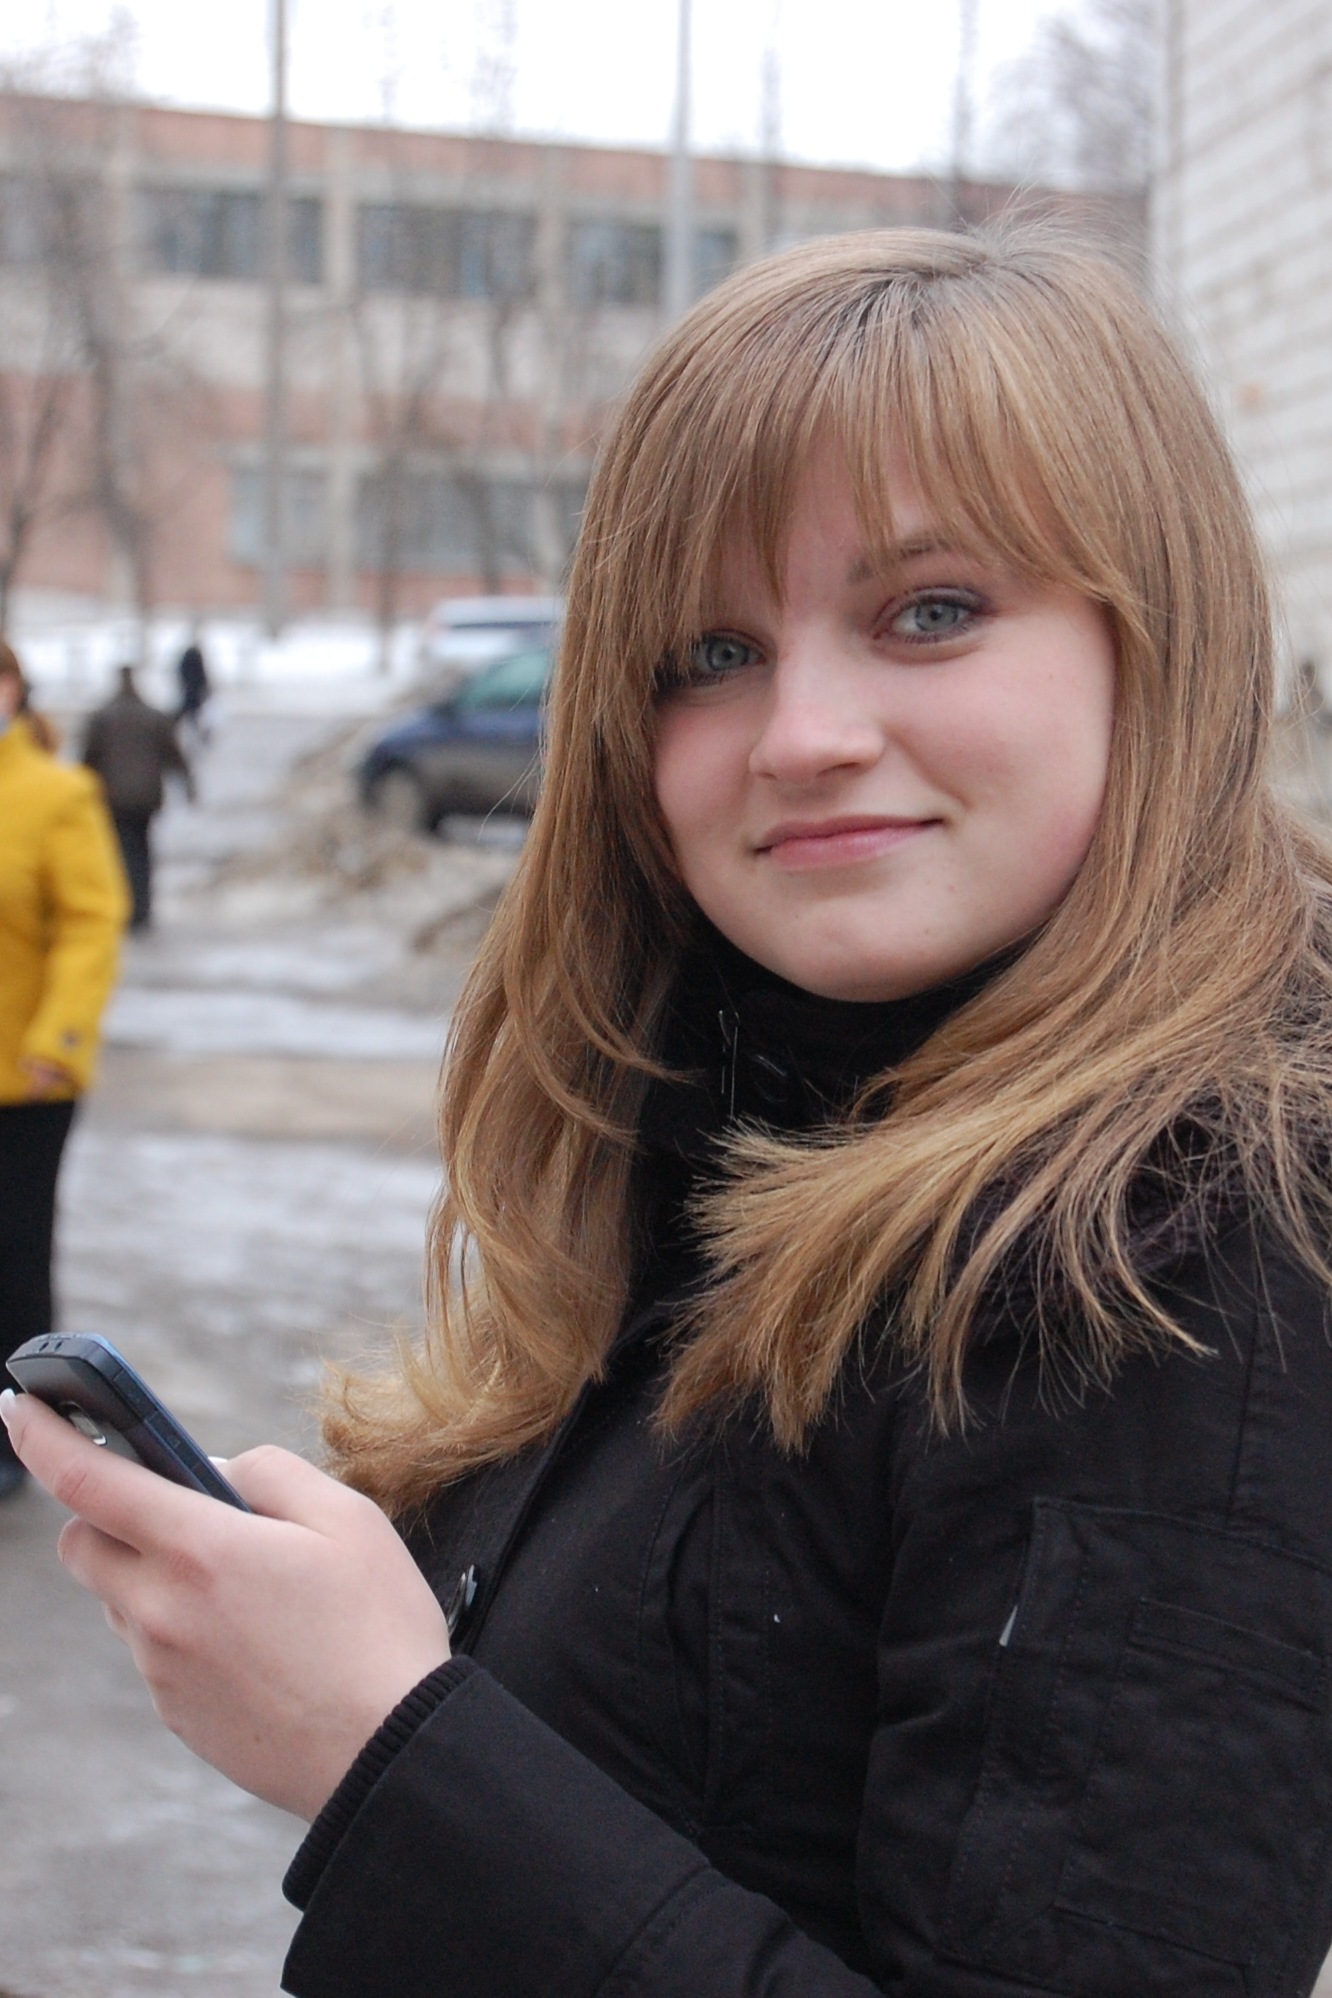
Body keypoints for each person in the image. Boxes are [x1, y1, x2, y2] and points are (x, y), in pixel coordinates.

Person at [9, 225, 1332, 1995]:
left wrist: (385, 1745)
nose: (800, 733)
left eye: (929, 610)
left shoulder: (1179, 1257)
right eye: (709, 649)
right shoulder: (744, 1100)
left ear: (1155, 640)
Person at [0, 642, 128, 1498]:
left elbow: (92, 920)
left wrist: (59, 1038)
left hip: (24, 1080)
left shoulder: (56, 793)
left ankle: (12, 1436)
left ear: (12, 688)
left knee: (12, 1256)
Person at [82, 664, 194, 931]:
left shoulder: (103, 717)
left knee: (121, 852)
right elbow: (173, 754)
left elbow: (89, 758)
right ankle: (142, 907)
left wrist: (81, 791)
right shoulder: (152, 716)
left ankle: (126, 906)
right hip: (146, 797)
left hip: (114, 797)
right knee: (142, 851)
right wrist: (188, 784)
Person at [175, 635, 211, 747]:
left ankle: (199, 736)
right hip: (194, 694)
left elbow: (182, 674)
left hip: (189, 693)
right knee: (192, 716)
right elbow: (202, 676)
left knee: (189, 716)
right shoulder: (195, 657)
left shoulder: (187, 658)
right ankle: (201, 737)